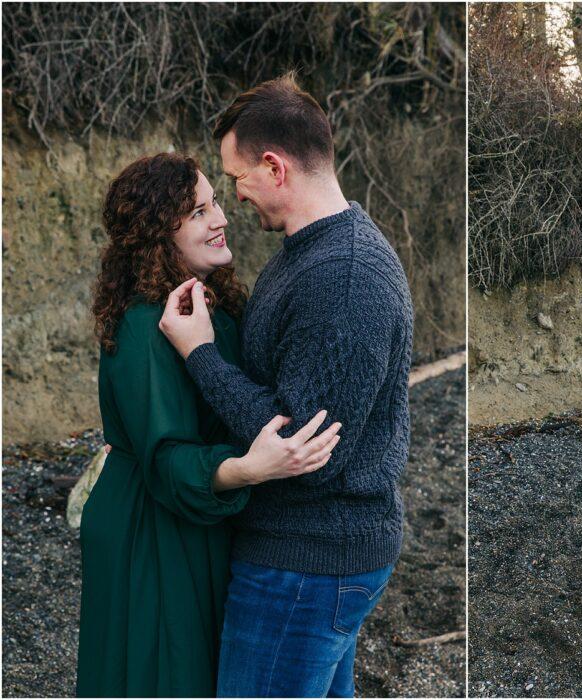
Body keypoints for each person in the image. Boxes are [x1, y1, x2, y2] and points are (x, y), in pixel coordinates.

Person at [158, 74, 414, 697]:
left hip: (306, 561)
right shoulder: (311, 252)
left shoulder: (344, 277)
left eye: (236, 178)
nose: (234, 199)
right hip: (314, 557)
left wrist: (200, 355)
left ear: (273, 168)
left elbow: (304, 447)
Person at [78, 153, 341, 697]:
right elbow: (167, 459)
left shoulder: (213, 302)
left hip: (202, 522)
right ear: (157, 234)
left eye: (215, 201)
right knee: (163, 675)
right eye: (199, 212)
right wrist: (248, 469)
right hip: (152, 529)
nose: (221, 217)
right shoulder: (143, 325)